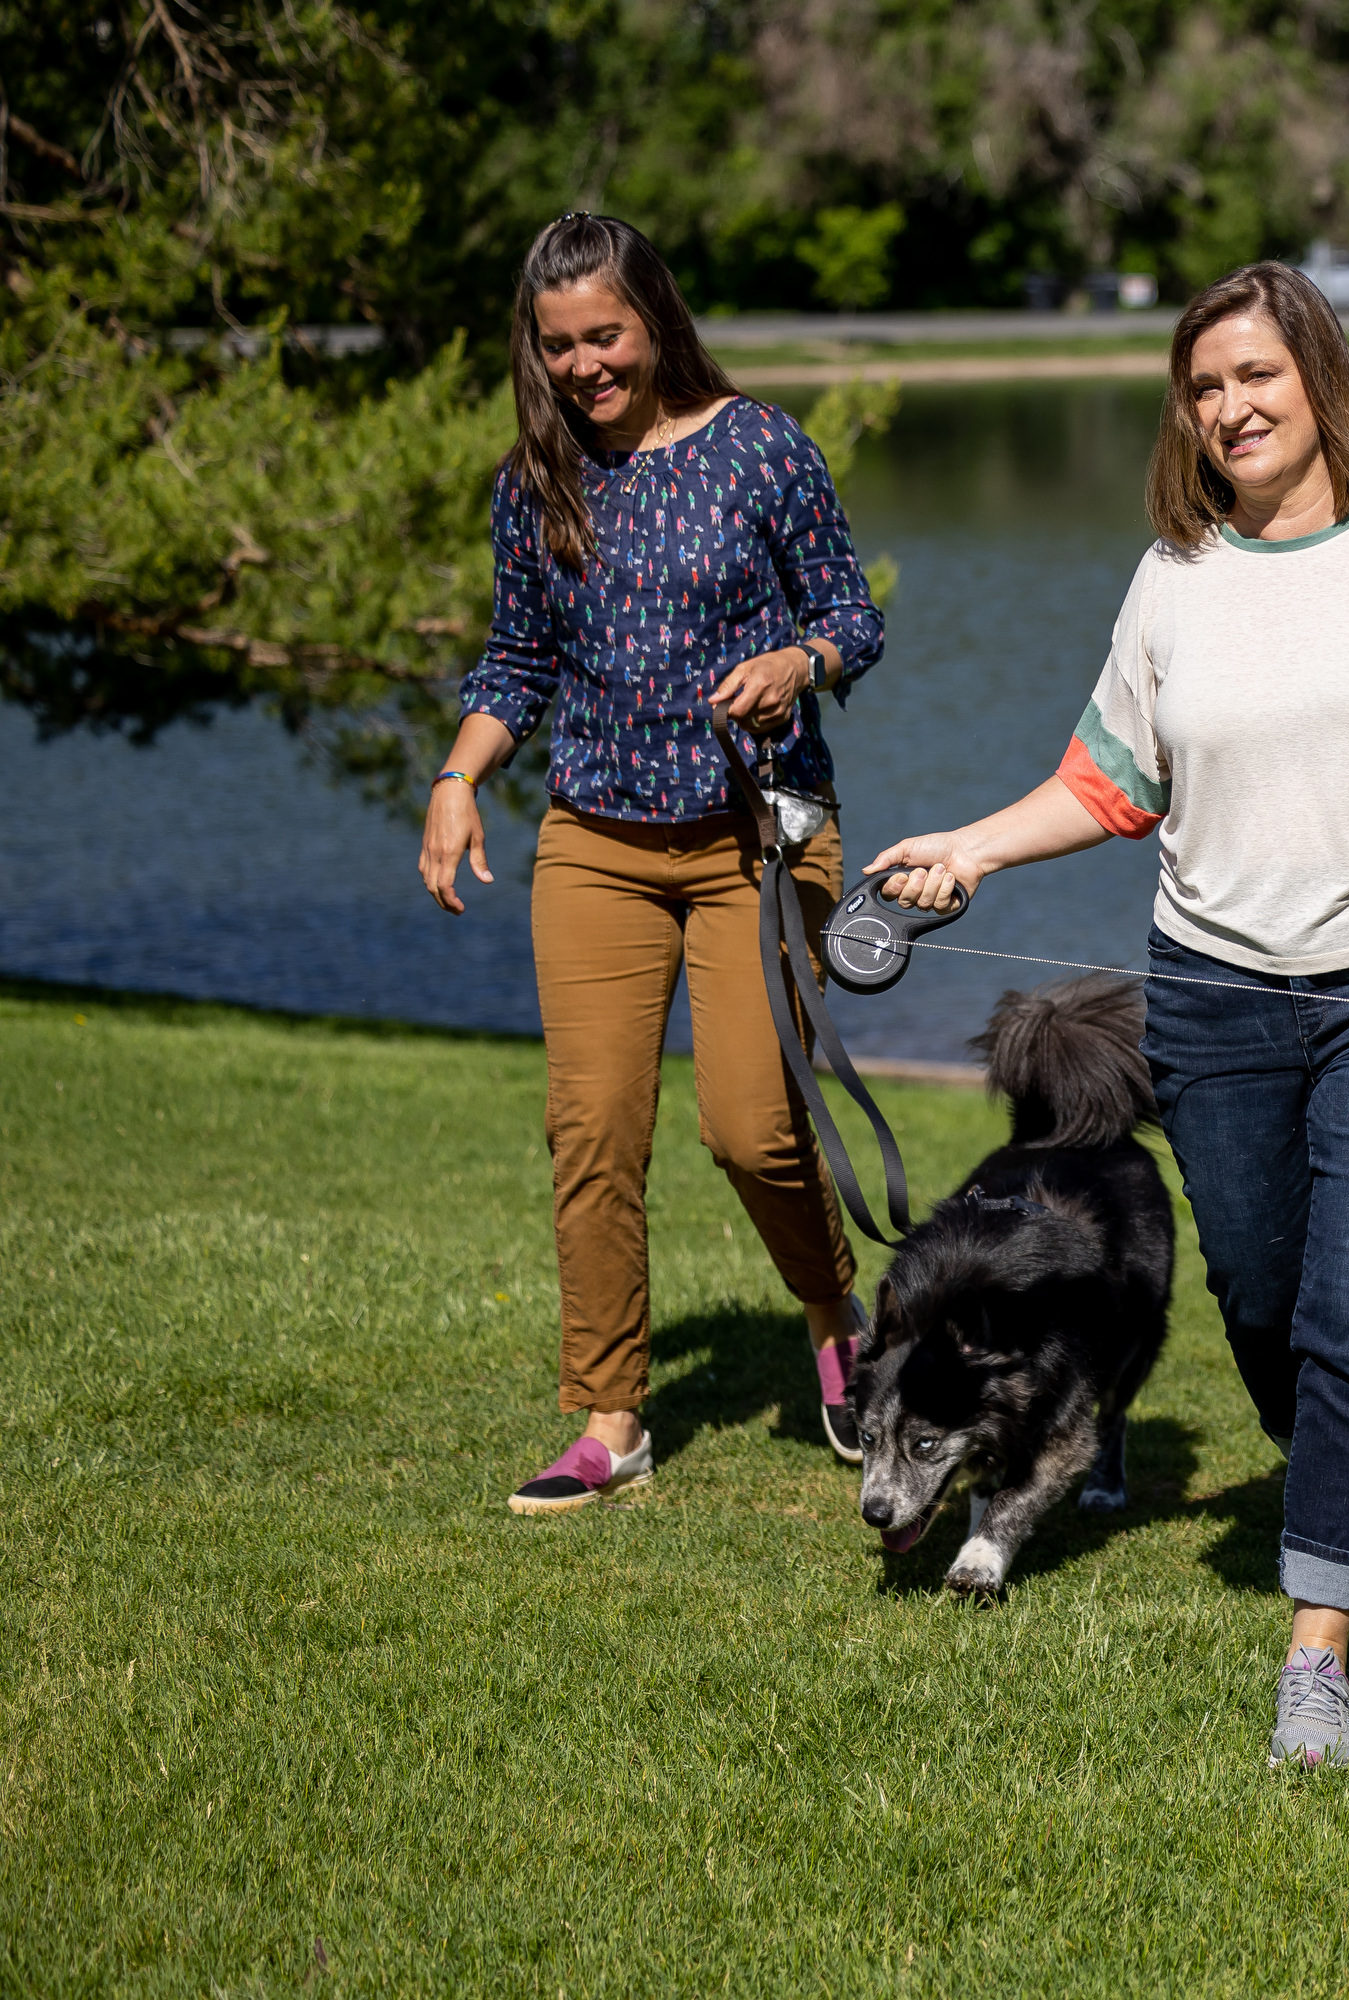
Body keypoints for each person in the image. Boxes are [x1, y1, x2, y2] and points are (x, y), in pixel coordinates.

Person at [867, 262, 1349, 1769]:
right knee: (1266, 1310)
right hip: (1213, 999)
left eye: (1256, 376)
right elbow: (1108, 781)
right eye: (1204, 388)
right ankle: (1344, 1456)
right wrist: (971, 849)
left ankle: (1316, 1656)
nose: (1231, 408)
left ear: (1319, 380)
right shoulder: (1172, 577)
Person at [418, 213, 885, 1515]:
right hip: (596, 844)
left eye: (605, 335)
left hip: (757, 837)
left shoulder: (760, 450)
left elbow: (853, 616)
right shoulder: (537, 482)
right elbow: (517, 663)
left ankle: (833, 1311)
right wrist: (459, 781)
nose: (583, 364)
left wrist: (804, 663)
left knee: (748, 1126)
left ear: (655, 320)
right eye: (558, 343)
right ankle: (610, 1415)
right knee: (592, 1127)